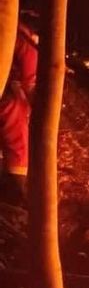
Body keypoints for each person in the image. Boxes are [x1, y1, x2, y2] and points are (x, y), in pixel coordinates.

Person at [0, 12, 38, 206]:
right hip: (6, 98)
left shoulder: (13, 30)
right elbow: (30, 84)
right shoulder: (24, 41)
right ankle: (16, 192)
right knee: (15, 113)